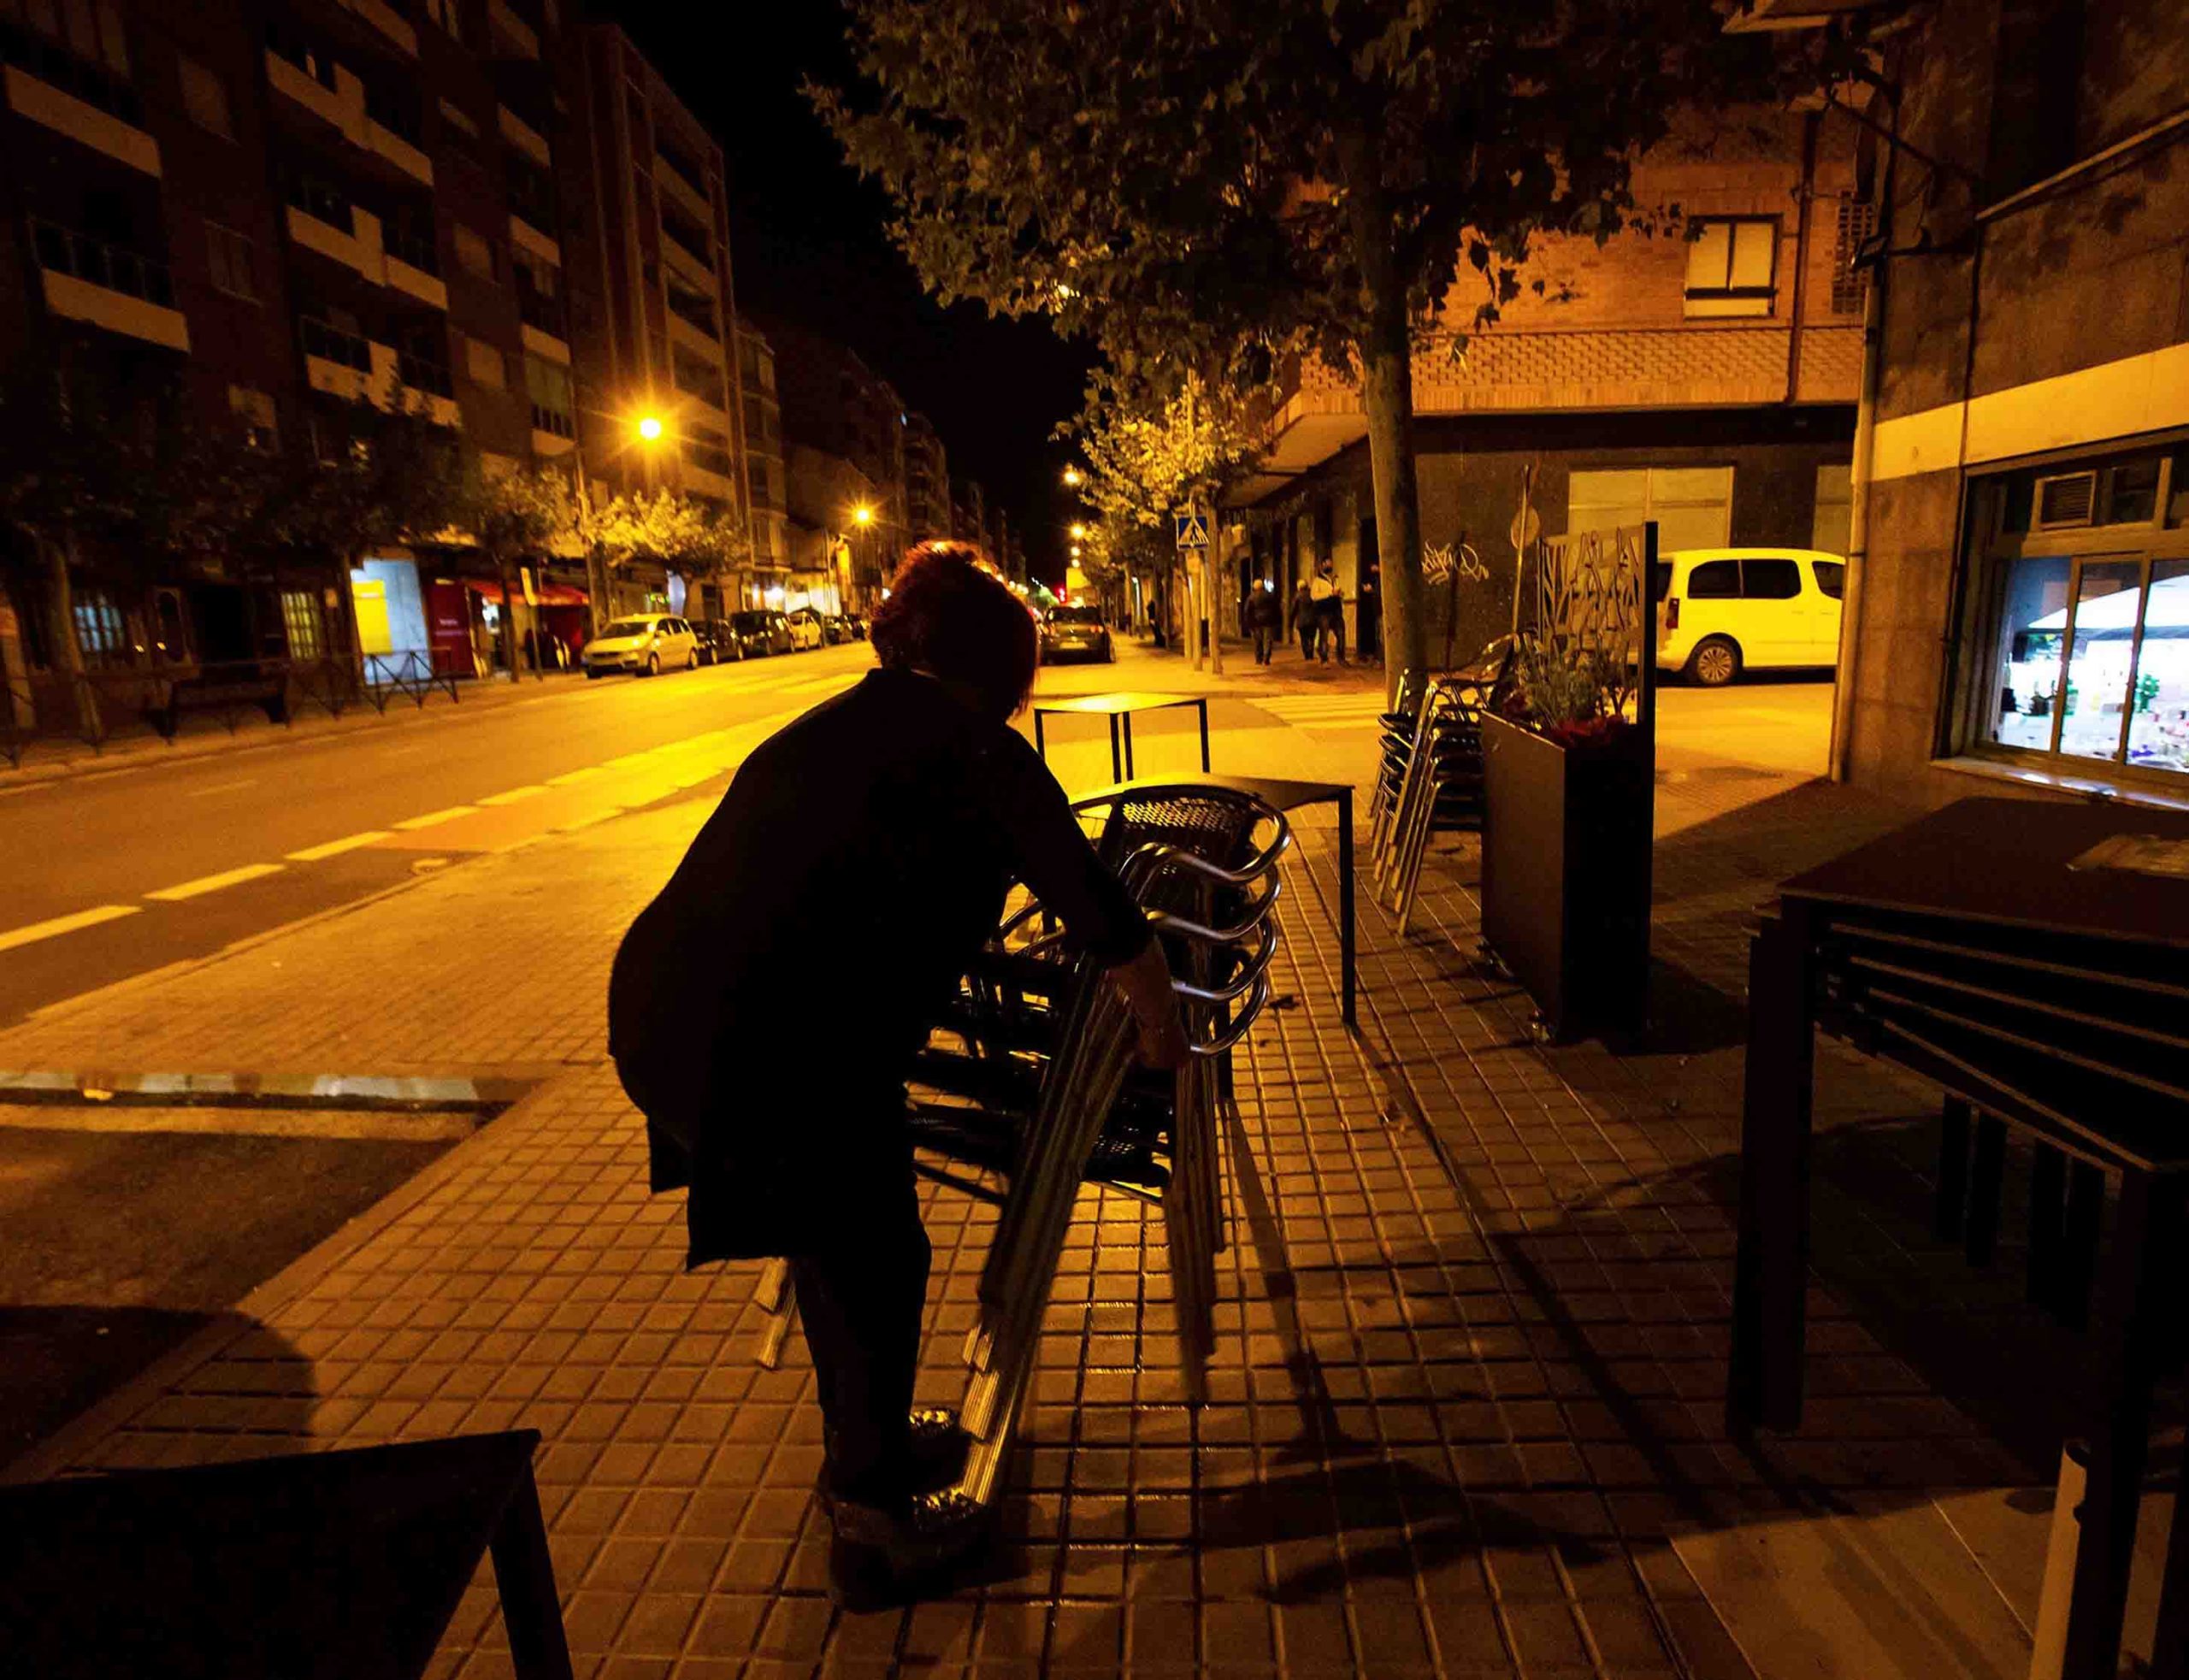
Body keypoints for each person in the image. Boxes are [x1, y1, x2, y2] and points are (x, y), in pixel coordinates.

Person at [607, 543, 1189, 1609]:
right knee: (873, 1250)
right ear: (1000, 667)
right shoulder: (974, 747)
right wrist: (1161, 1036)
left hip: (671, 1010)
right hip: (769, 1037)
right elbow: (1098, 907)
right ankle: (873, 1532)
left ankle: (865, 1455)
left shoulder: (848, 723)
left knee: (848, 1243)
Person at [1246, 581, 1282, 664]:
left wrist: (1249, 622)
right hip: (1268, 621)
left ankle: (1259, 659)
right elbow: (1276, 608)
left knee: (1258, 641)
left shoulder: (1251, 597)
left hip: (1256, 622)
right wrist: (1277, 620)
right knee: (1268, 640)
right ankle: (1266, 657)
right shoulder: (1269, 596)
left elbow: (1247, 611)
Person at [1291, 579, 1315, 661]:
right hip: (1312, 620)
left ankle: (1306, 655)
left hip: (1302, 621)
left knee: (1303, 638)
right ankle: (1311, 653)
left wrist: (1292, 620)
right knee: (1311, 637)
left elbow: (1294, 609)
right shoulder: (1312, 594)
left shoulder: (1297, 596)